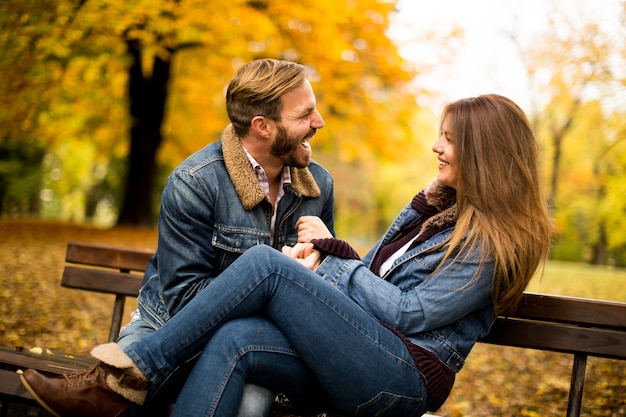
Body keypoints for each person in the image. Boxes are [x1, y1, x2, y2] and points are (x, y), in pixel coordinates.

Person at [20, 94, 553, 417]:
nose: (436, 148)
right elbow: (375, 283)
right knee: (235, 340)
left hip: (402, 380)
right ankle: (120, 386)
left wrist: (335, 257)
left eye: (451, 140)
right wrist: (327, 265)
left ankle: (125, 379)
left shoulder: (491, 242)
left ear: (485, 155)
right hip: (366, 356)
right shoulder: (434, 211)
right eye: (440, 136)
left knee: (266, 265)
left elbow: (407, 314)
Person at [87, 58, 336, 416]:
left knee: (249, 408)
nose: (319, 122)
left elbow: (324, 297)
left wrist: (324, 265)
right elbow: (183, 297)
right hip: (166, 329)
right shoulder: (196, 181)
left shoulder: (318, 187)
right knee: (128, 396)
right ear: (262, 126)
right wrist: (276, 280)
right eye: (305, 114)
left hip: (253, 344)